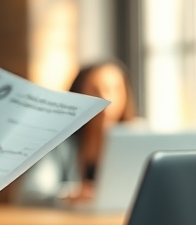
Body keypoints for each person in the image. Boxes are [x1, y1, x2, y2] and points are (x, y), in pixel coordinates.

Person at [15, 60, 138, 205]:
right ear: (80, 94)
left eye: (113, 89)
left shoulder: (138, 139)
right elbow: (30, 193)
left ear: (126, 94)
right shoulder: (61, 142)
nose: (106, 98)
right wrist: (69, 195)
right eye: (95, 90)